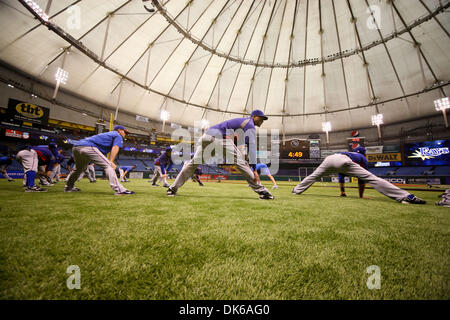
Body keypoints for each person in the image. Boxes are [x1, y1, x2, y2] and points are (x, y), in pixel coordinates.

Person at [167, 110, 274, 200]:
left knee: (193, 163)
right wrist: (254, 169)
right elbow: (251, 147)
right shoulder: (249, 124)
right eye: (260, 118)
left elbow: (240, 141)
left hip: (206, 137)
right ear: (254, 116)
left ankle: (172, 189)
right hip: (219, 139)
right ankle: (263, 192)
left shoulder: (243, 123)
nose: (262, 121)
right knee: (241, 163)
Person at [292, 146, 426, 204]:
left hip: (330, 159)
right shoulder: (363, 158)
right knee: (372, 178)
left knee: (313, 176)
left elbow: (341, 175)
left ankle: (296, 190)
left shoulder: (350, 153)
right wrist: (361, 196)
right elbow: (363, 179)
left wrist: (343, 191)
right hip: (343, 160)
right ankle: (405, 196)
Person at [65, 125, 134, 195]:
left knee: (79, 169)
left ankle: (69, 187)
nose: (125, 134)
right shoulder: (118, 135)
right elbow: (115, 147)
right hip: (89, 147)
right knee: (108, 166)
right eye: (125, 132)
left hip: (76, 147)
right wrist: (111, 161)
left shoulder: (107, 134)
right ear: (119, 130)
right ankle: (120, 190)